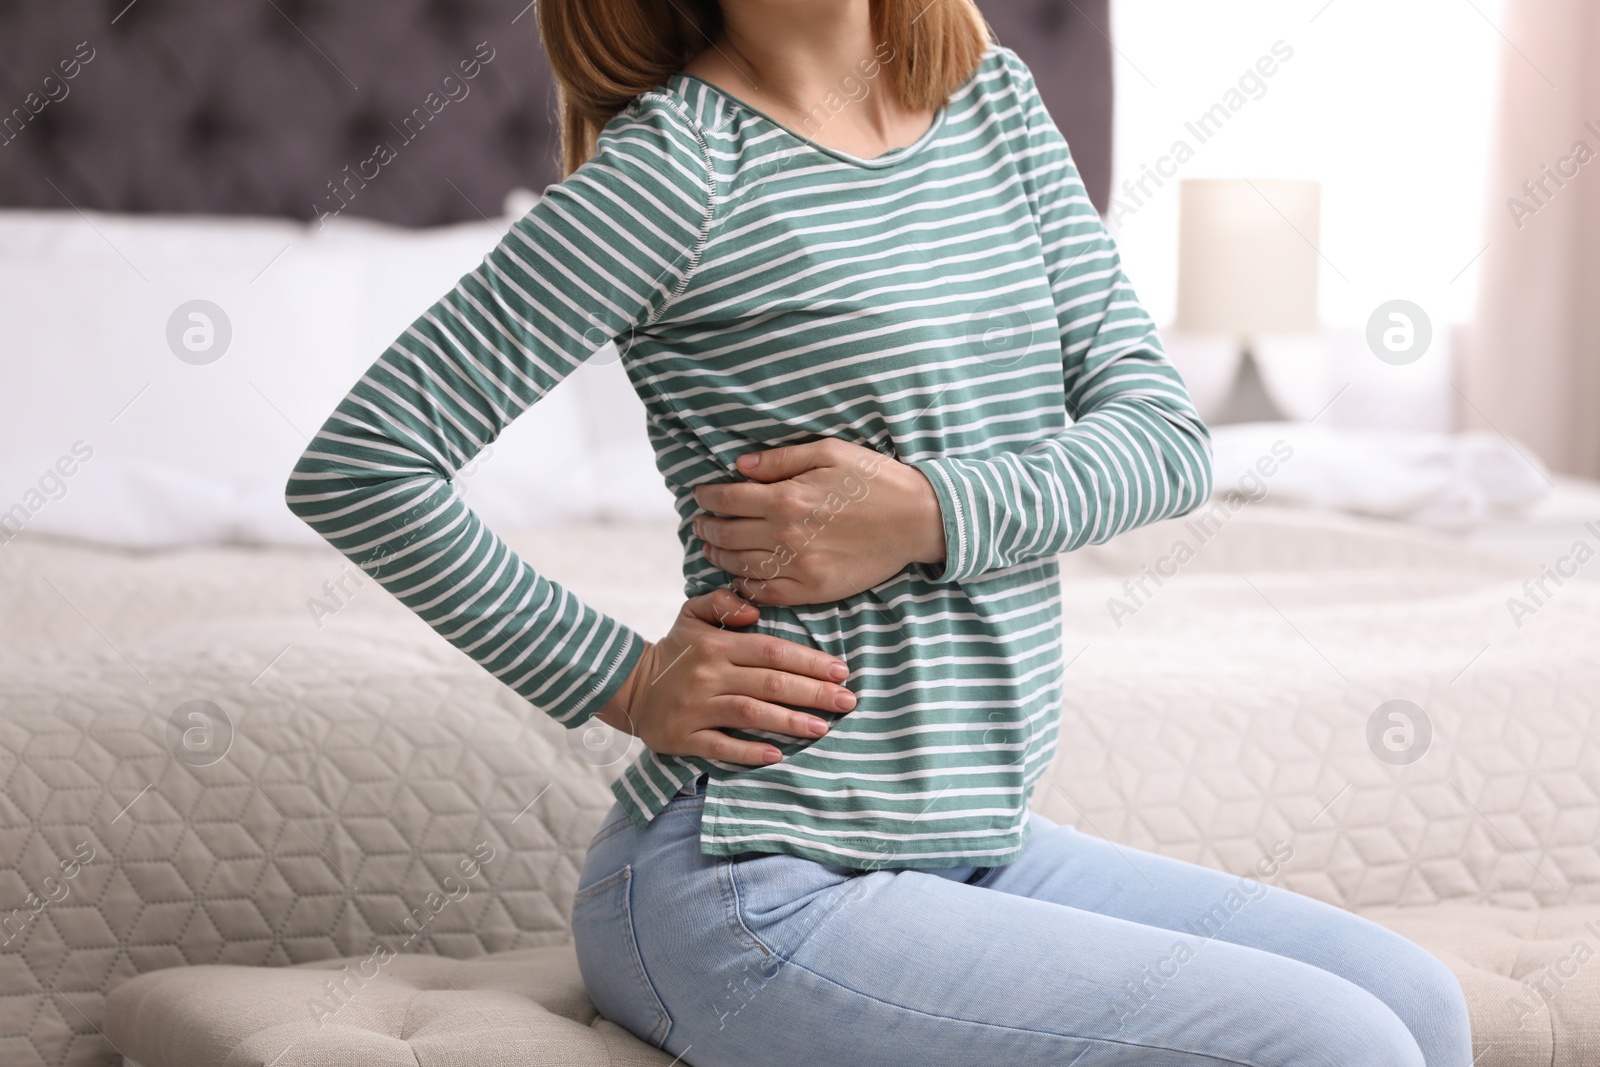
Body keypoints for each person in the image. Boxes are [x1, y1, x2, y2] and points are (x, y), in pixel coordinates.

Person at [286, 1, 1473, 1063]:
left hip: (967, 838)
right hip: (752, 880)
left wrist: (927, 514)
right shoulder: (674, 172)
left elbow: (1164, 442)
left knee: (1417, 1003)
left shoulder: (994, 106)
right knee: (1339, 1041)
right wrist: (632, 679)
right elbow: (364, 465)